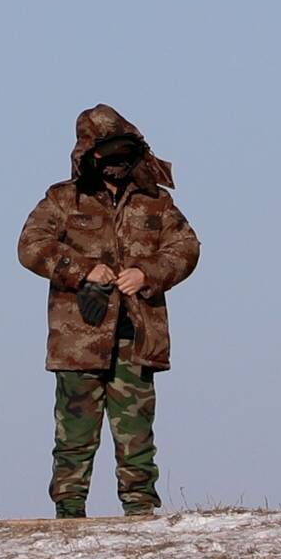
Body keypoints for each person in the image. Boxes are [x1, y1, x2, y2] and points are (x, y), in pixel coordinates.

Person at [14, 103, 202, 517]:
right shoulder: (63, 200)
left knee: (136, 435)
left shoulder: (156, 203)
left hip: (137, 336)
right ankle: (69, 515)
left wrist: (146, 273)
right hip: (79, 338)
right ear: (89, 155)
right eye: (107, 154)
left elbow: (186, 247)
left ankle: (140, 513)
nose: (116, 164)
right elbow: (30, 245)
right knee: (74, 435)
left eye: (123, 153)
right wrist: (81, 271)